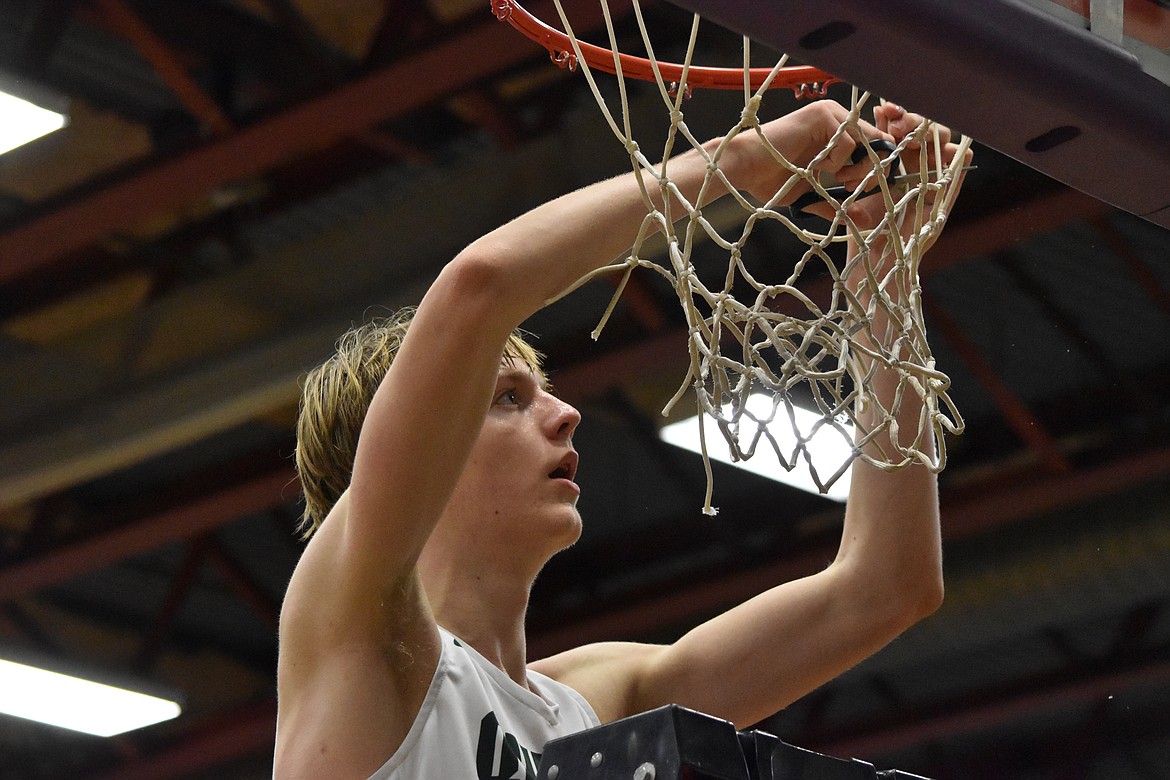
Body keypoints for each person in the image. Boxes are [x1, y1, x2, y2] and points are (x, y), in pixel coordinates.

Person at [272, 99, 968, 779]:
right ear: (421, 443)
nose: (565, 413)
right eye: (509, 399)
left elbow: (886, 586)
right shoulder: (356, 632)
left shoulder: (594, 703)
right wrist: (741, 160)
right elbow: (478, 288)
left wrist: (884, 268)